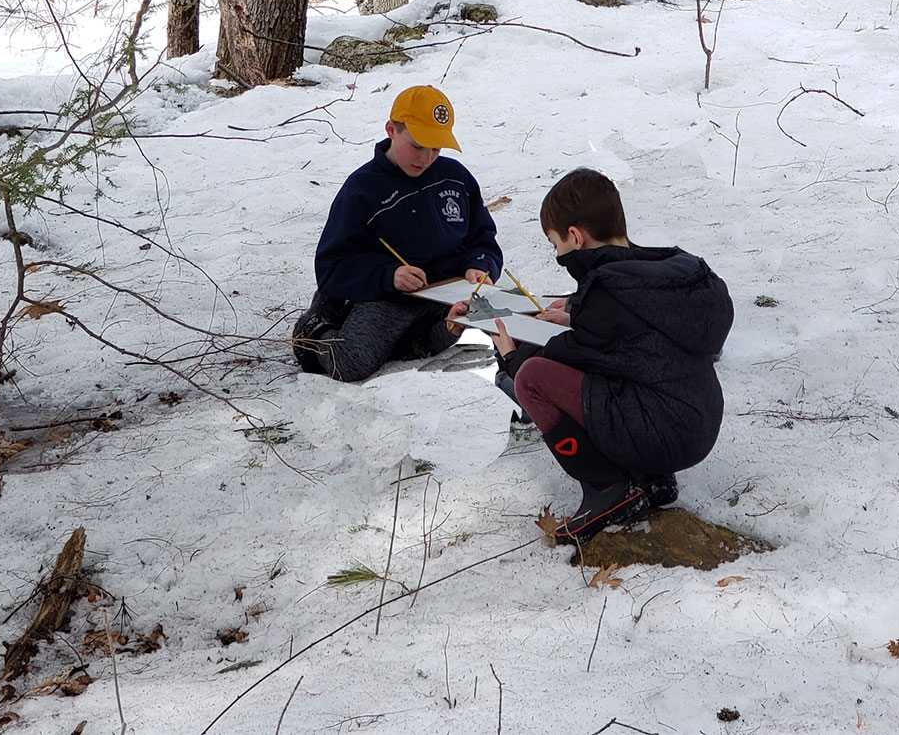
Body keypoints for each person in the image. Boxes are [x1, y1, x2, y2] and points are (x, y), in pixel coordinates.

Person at [493, 166, 733, 544]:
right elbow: (629, 339)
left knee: (531, 378)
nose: (558, 254)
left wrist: (511, 356)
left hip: (661, 433)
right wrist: (573, 315)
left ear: (575, 236)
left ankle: (605, 488)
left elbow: (561, 360)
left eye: (556, 245)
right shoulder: (669, 269)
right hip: (699, 423)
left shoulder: (605, 295)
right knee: (611, 373)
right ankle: (650, 477)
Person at [292, 85, 503, 382]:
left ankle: (414, 340)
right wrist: (389, 275)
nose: (426, 157)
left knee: (492, 337)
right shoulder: (362, 189)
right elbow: (331, 266)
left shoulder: (455, 177)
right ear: (391, 130)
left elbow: (483, 239)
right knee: (351, 364)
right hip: (392, 296)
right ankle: (316, 326)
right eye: (417, 145)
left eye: (436, 148)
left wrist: (480, 266)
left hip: (450, 290)